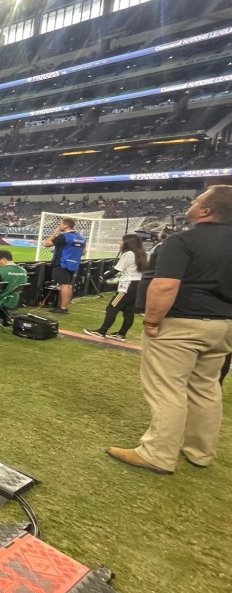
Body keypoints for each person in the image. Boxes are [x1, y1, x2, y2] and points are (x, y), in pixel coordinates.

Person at [107, 185, 232, 474]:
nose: (192, 202)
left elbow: (165, 285)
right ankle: (200, 452)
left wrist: (151, 321)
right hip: (224, 325)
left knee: (167, 388)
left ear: (206, 210)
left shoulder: (183, 240)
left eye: (198, 200)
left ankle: (158, 453)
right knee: (206, 387)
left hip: (182, 324)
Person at [84, 234, 147, 341]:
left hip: (128, 285)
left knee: (112, 307)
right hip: (137, 284)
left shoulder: (128, 254)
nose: (119, 242)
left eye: (121, 240)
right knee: (128, 310)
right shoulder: (141, 254)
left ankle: (102, 331)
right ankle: (121, 334)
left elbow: (116, 270)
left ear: (128, 242)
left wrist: (103, 277)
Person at [43, 217, 85, 314]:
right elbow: (83, 252)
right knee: (68, 285)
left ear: (65, 225)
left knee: (64, 285)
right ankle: (64, 306)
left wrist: (55, 233)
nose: (59, 226)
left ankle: (63, 308)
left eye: (60, 224)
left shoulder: (64, 236)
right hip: (73, 264)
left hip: (62, 263)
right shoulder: (81, 237)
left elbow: (46, 243)